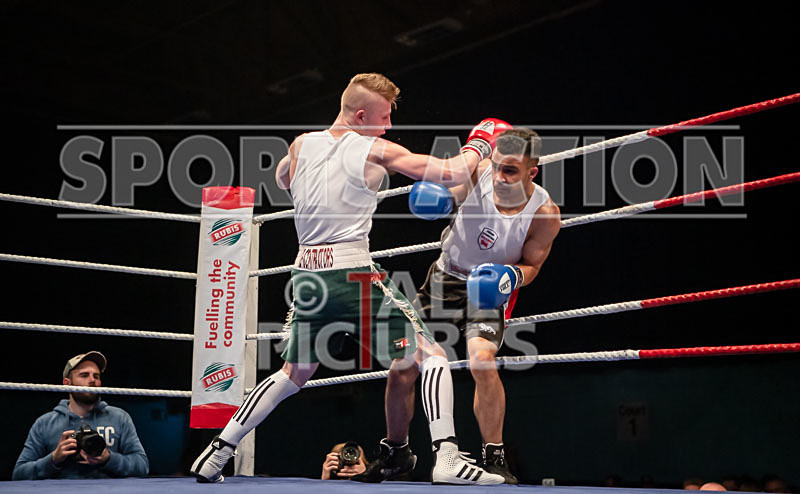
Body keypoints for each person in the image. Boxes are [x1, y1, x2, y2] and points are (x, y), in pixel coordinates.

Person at [190, 72, 508, 485]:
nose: (390, 125)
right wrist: (480, 143)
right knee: (430, 355)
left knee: (293, 373)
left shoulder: (301, 144)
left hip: (306, 273)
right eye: (385, 116)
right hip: (351, 270)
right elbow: (449, 173)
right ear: (361, 115)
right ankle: (446, 457)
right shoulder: (373, 148)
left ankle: (218, 451)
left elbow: (283, 178)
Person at [375, 127, 561, 484]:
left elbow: (533, 265)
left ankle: (495, 455)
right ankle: (396, 452)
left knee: (482, 360)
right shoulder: (478, 173)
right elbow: (452, 190)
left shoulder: (545, 213)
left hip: (488, 290)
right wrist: (443, 200)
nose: (501, 176)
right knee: (402, 364)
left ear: (531, 172)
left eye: (511, 170)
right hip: (445, 278)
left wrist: (513, 277)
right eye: (498, 166)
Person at [13, 351, 149, 480]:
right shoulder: (45, 423)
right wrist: (53, 459)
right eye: (84, 375)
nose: (92, 380)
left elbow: (142, 466)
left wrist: (109, 458)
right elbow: (19, 473)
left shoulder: (120, 418)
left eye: (96, 376)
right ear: (67, 383)